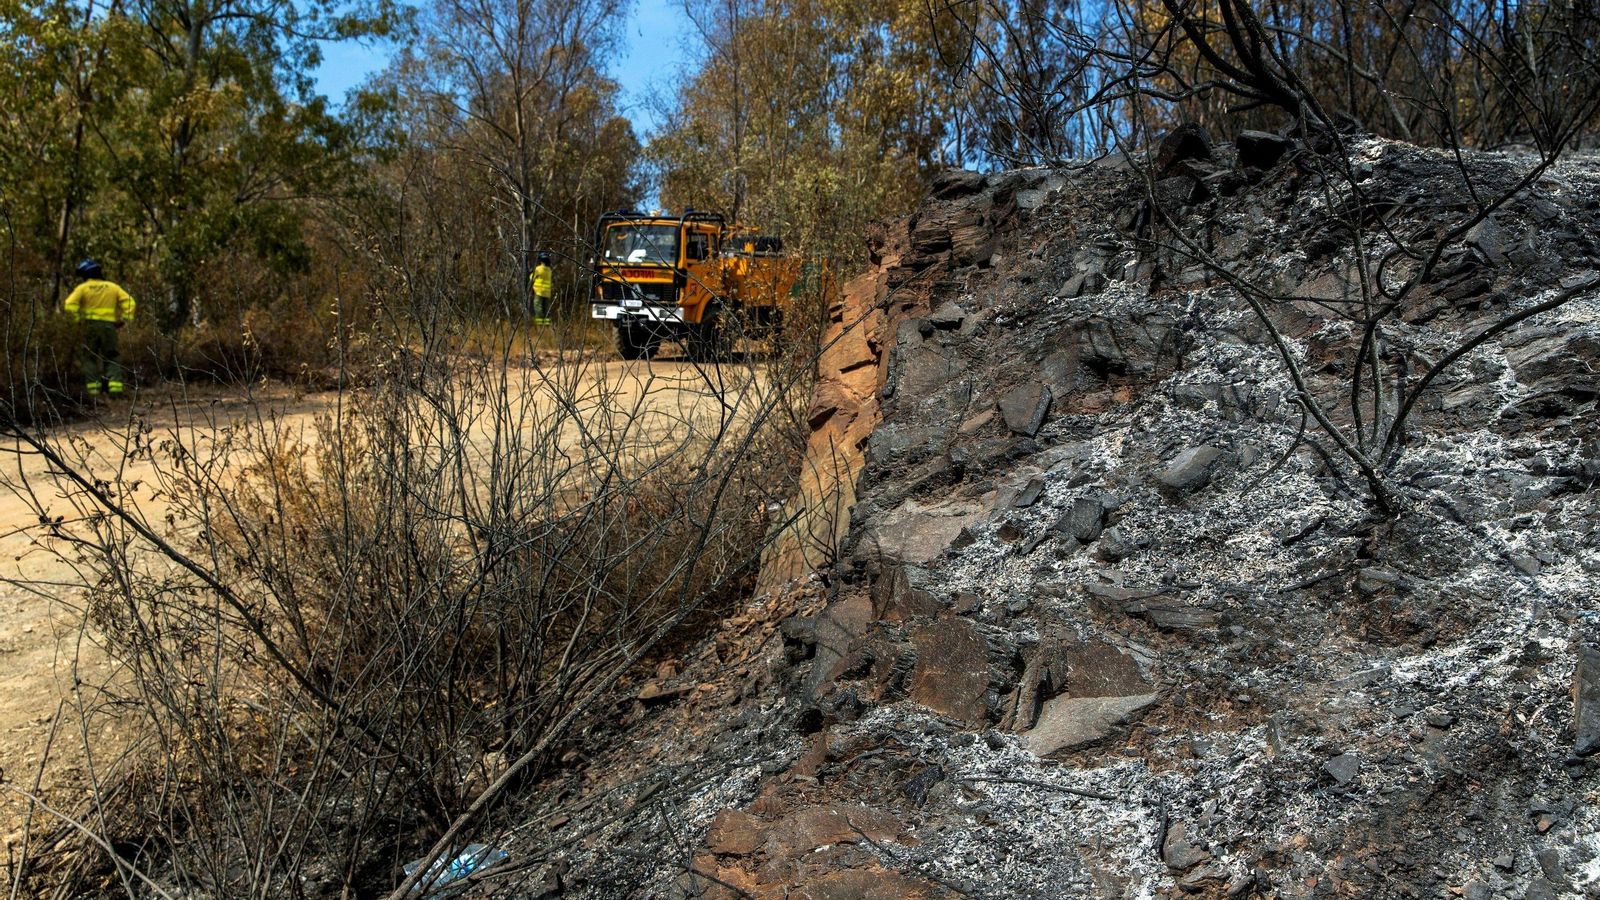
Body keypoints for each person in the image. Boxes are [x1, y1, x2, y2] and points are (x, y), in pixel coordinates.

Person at [62, 259, 135, 396]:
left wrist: (77, 320)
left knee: (89, 357)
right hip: (109, 327)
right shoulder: (113, 287)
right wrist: (124, 319)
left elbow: (69, 304)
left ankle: (94, 391)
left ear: (86, 274)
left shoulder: (83, 288)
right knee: (112, 356)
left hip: (90, 327)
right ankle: (115, 390)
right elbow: (130, 302)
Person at [529, 251, 554, 325]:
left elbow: (531, 278)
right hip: (547, 294)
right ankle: (547, 325)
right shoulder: (549, 270)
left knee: (538, 309)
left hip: (539, 293)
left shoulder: (538, 269)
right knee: (546, 310)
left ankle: (539, 325)